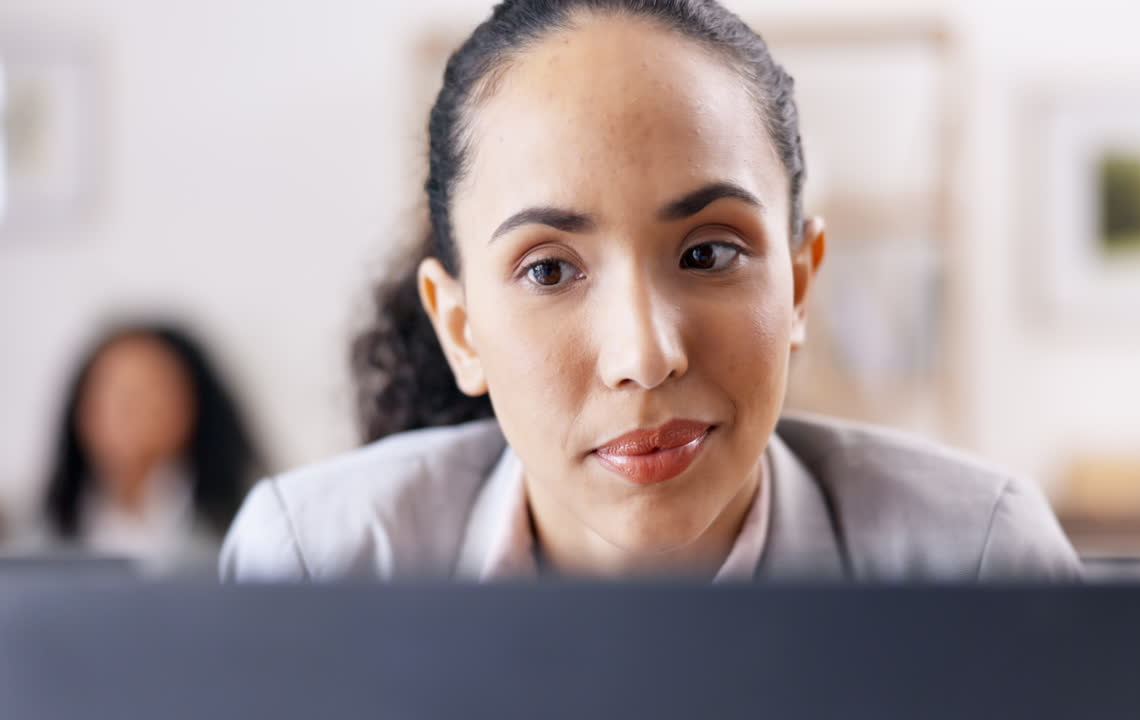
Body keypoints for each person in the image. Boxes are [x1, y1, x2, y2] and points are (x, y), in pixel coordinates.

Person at [221, 0, 1079, 583]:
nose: (644, 354)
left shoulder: (975, 560)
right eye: (549, 269)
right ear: (461, 329)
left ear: (801, 285)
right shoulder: (319, 566)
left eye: (708, 254)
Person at [36, 323, 263, 574]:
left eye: (147, 395)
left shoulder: (243, 528)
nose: (127, 413)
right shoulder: (39, 533)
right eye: (112, 396)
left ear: (191, 406)